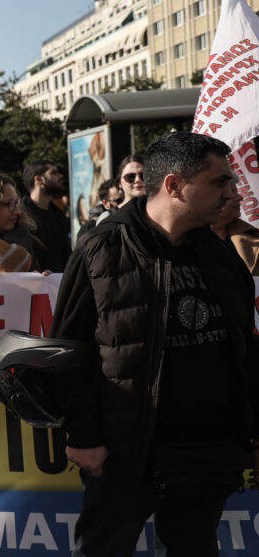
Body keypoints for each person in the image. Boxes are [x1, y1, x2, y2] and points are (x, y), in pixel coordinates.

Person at [51, 131, 259, 556]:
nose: (231, 191)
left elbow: (243, 349)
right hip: (126, 452)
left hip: (208, 450)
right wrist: (84, 433)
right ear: (174, 186)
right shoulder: (102, 247)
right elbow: (67, 350)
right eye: (218, 181)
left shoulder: (220, 255)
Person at [20, 159, 71, 272]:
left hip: (58, 283)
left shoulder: (58, 214)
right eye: (53, 173)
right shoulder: (20, 214)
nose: (60, 176)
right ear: (39, 180)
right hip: (32, 285)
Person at [211, 181, 259, 275]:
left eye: (236, 191)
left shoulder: (254, 237)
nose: (239, 197)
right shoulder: (178, 243)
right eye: (231, 192)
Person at [75, 178, 123, 245]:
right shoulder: (90, 228)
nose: (124, 203)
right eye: (119, 201)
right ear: (105, 203)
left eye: (125, 198)